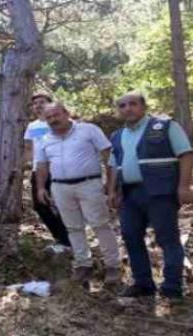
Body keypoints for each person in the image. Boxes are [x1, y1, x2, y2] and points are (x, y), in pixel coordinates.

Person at [108, 93, 193, 299]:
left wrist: (184, 187)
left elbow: (186, 155)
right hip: (130, 195)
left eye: (133, 104)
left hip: (160, 192)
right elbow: (113, 165)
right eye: (122, 106)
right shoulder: (117, 135)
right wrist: (112, 191)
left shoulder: (166, 126)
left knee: (167, 238)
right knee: (131, 236)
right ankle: (143, 283)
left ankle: (172, 286)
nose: (128, 108)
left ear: (143, 106)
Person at [35, 102, 121, 288]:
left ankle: (113, 266)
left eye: (56, 115)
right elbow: (41, 166)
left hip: (89, 183)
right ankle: (83, 265)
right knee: (72, 227)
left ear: (67, 113)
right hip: (60, 187)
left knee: (100, 225)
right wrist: (41, 188)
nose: (53, 120)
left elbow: (109, 156)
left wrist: (111, 184)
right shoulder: (44, 140)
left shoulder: (88, 130)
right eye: (48, 117)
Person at [24, 93, 71, 251]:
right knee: (39, 205)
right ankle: (61, 237)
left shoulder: (61, 122)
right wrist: (29, 164)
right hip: (39, 169)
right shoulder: (32, 126)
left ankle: (68, 240)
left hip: (58, 167)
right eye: (35, 103)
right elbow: (29, 147)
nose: (38, 105)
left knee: (62, 204)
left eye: (42, 102)